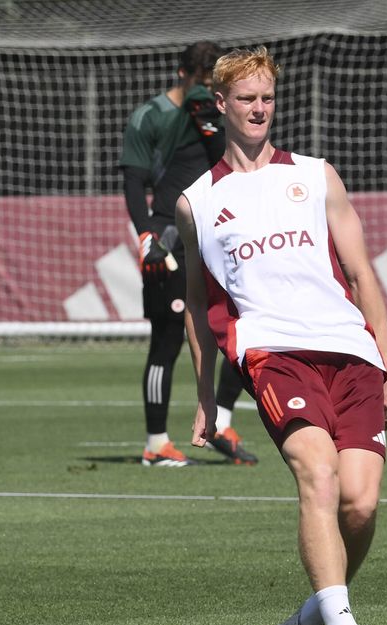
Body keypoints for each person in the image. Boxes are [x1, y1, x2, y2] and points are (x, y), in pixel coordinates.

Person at [177, 46, 387, 625]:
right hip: (274, 354)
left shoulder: (316, 174)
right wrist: (205, 400)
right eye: (246, 99)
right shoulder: (196, 203)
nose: (259, 109)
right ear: (219, 105)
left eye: (267, 98)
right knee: (318, 473)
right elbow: (198, 310)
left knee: (360, 503)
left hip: (351, 351)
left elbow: (360, 272)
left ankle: (310, 616)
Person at [119, 41, 257, 467]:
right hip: (168, 238)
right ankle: (156, 442)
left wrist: (215, 126)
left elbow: (236, 165)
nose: (206, 93)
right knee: (166, 340)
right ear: (183, 77)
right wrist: (146, 235)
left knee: (247, 327)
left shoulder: (218, 116)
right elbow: (133, 181)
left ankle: (224, 421)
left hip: (217, 235)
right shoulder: (152, 116)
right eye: (201, 84)